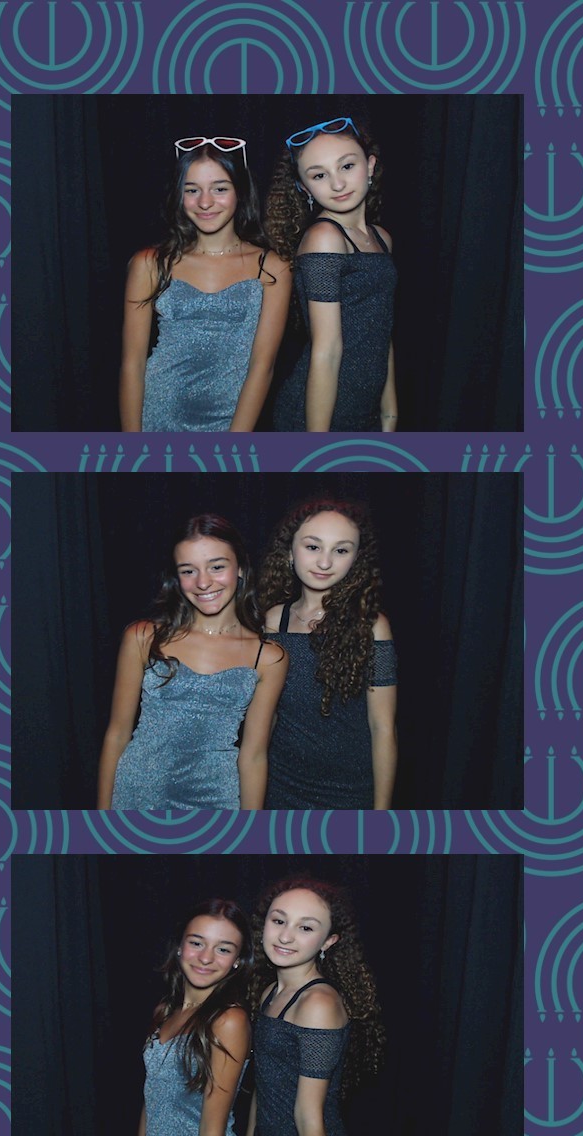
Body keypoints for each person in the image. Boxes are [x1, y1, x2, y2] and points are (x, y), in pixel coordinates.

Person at [97, 514, 289, 811]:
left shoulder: (268, 657)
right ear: (176, 577)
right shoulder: (143, 637)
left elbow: (253, 756)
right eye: (189, 571)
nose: (203, 582)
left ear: (240, 568)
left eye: (217, 567)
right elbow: (117, 735)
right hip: (137, 797)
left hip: (217, 801)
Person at [119, 137, 291, 432]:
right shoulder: (149, 263)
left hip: (232, 423)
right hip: (157, 419)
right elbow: (132, 364)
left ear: (240, 191)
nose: (205, 202)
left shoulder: (272, 267)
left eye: (220, 188)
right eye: (192, 190)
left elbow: (262, 366)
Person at [244, 877, 385, 1136]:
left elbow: (309, 1115)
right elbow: (263, 1085)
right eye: (279, 920)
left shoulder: (318, 1003)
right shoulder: (269, 992)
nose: (286, 935)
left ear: (328, 942)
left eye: (305, 927)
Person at [257, 497, 397, 809]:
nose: (324, 562)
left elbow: (383, 728)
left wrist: (382, 812)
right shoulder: (274, 620)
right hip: (280, 787)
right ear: (290, 551)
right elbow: (266, 720)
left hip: (349, 793)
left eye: (341, 550)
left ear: (356, 560)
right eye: (313, 547)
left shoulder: (372, 626)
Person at [266, 116, 397, 432]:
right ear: (304, 187)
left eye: (347, 166)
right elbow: (327, 351)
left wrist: (390, 413)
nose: (337, 184)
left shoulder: (381, 237)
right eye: (319, 175)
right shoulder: (324, 238)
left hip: (365, 410)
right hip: (321, 416)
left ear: (370, 166)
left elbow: (381, 332)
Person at [131, 898, 251, 1136]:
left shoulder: (229, 1021)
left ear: (237, 960)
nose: (206, 958)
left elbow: (213, 1129)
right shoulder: (164, 1011)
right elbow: (152, 1102)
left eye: (223, 949)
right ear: (179, 947)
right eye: (197, 943)